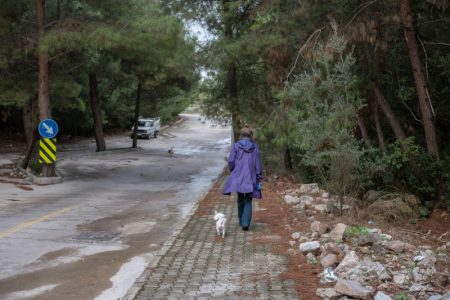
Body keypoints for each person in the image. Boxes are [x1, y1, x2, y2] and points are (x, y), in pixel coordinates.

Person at [223, 125, 263, 231]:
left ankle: (241, 221)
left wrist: (233, 171)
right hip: (251, 176)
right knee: (248, 198)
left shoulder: (236, 146)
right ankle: (246, 223)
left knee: (240, 198)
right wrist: (259, 177)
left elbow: (231, 161)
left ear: (241, 135)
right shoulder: (255, 147)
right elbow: (258, 164)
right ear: (251, 135)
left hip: (239, 175)